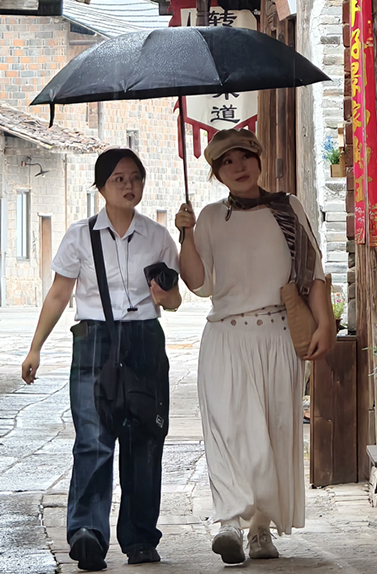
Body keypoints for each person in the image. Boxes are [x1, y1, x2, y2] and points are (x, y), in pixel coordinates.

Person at [174, 128, 335, 564]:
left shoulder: (288, 209)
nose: (239, 167)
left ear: (259, 161)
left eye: (245, 157)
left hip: (278, 335)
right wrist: (185, 234)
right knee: (228, 430)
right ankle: (229, 522)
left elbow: (313, 274)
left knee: (275, 429)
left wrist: (326, 323)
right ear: (216, 173)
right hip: (226, 337)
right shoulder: (207, 218)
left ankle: (261, 529)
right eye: (227, 162)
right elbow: (198, 284)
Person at [21, 148, 182, 571]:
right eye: (118, 179)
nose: (129, 186)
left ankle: (141, 538)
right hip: (94, 340)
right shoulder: (80, 235)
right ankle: (87, 533)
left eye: (135, 178)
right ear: (101, 188)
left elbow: (177, 299)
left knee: (145, 439)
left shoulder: (159, 236)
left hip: (146, 340)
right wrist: (35, 347)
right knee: (92, 438)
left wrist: (168, 296)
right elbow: (60, 294)